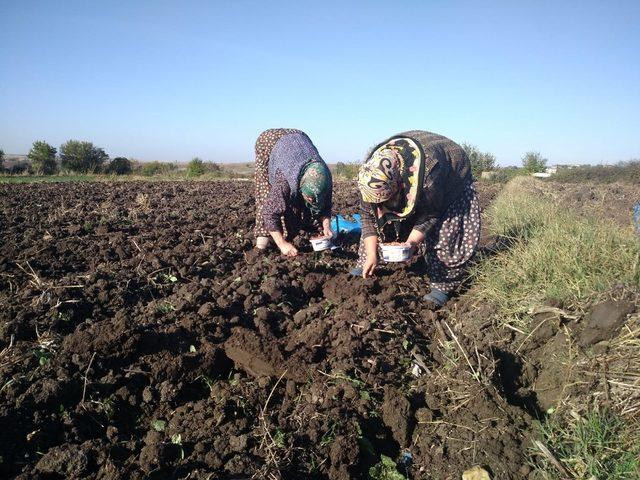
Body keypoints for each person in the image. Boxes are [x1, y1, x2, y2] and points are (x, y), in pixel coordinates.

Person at [351, 130, 481, 307]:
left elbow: (430, 215)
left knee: (446, 229)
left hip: (452, 173)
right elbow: (367, 216)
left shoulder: (429, 178)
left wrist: (411, 243)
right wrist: (372, 254)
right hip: (406, 173)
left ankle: (443, 284)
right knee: (378, 216)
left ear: (398, 186)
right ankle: (366, 262)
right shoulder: (370, 176)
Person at [254, 128, 333, 257]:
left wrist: (327, 226)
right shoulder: (284, 180)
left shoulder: (324, 176)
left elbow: (326, 205)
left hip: (300, 137)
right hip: (269, 142)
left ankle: (293, 234)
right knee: (267, 195)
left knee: (303, 203)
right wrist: (282, 244)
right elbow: (269, 212)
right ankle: (262, 242)